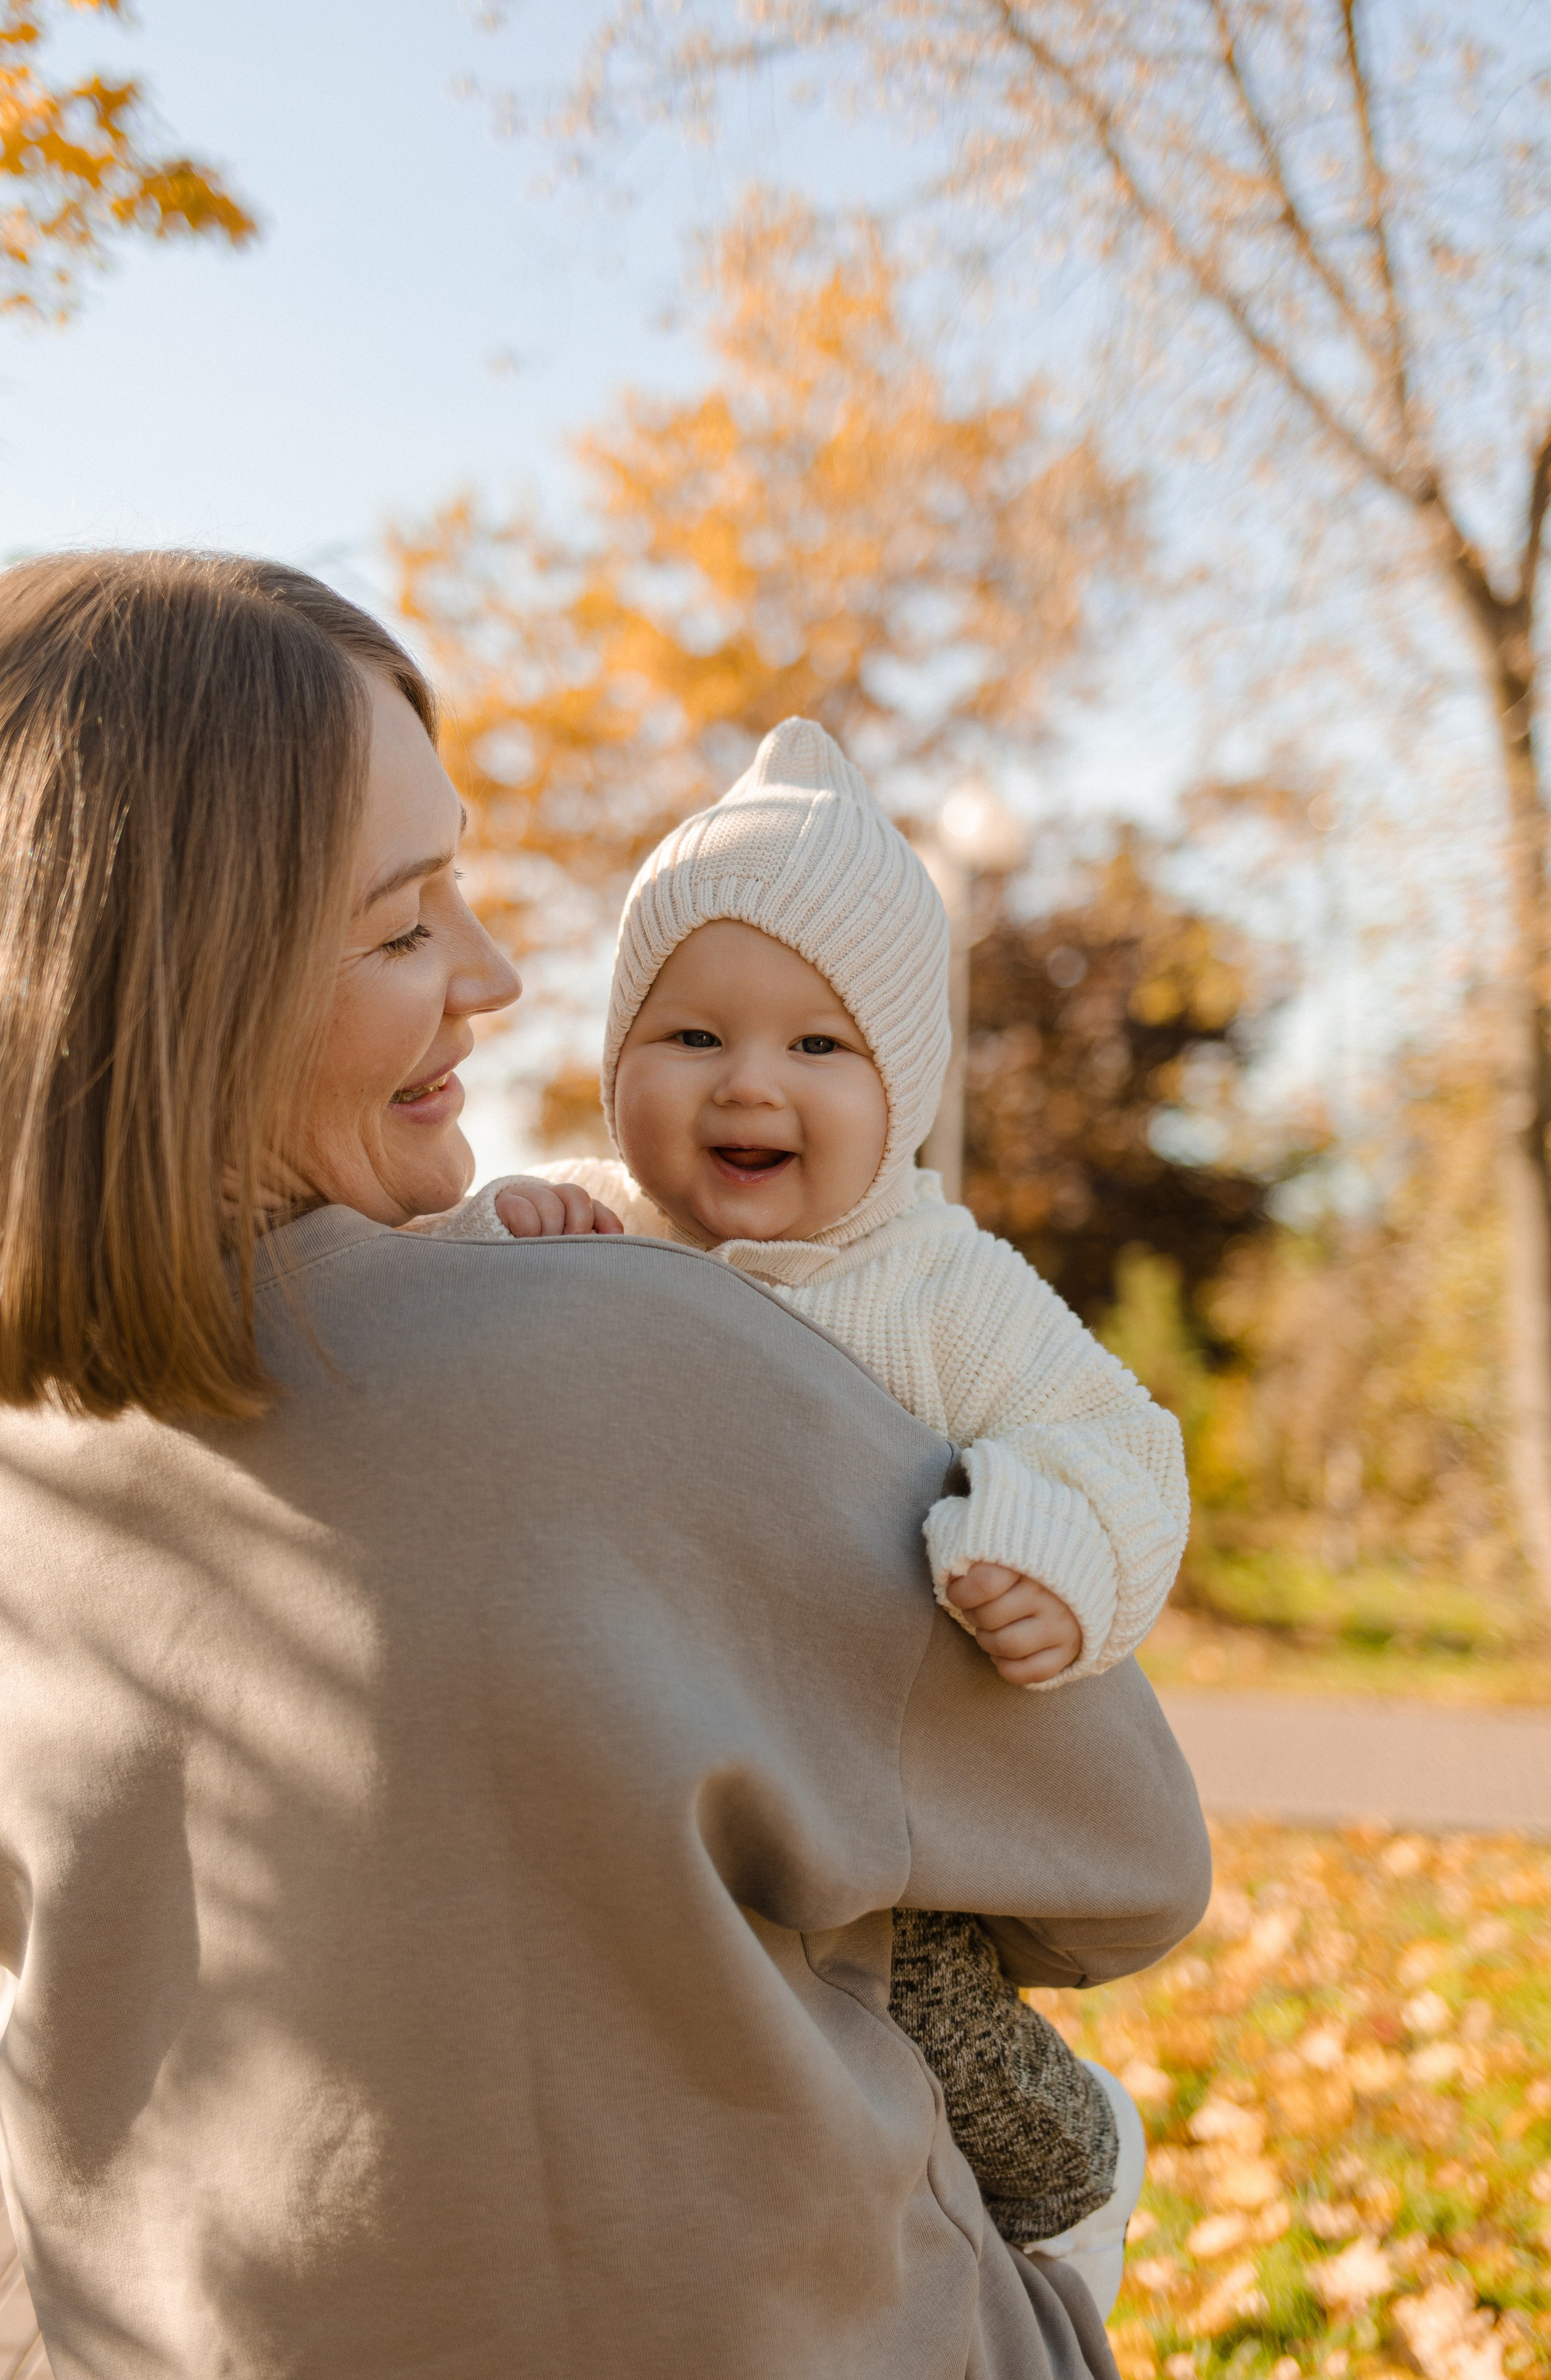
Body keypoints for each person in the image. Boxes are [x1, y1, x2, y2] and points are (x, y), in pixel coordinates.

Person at [0, 550, 1210, 2380]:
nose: (498, 973)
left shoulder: (6, 1478)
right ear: (195, 991)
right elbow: (1126, 1860)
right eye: (404, 927)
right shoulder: (658, 1350)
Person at [418, 717, 1189, 2299]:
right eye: (689, 1040)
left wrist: (1046, 1540)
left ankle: (1072, 2176)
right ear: (619, 1057)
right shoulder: (594, 1225)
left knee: (944, 2047)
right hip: (673, 1776)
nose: (747, 1085)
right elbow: (444, 1357)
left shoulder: (936, 1283)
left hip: (880, 1814)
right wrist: (511, 1223)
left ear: (898, 1085)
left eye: (816, 1048)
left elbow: (1115, 1437)